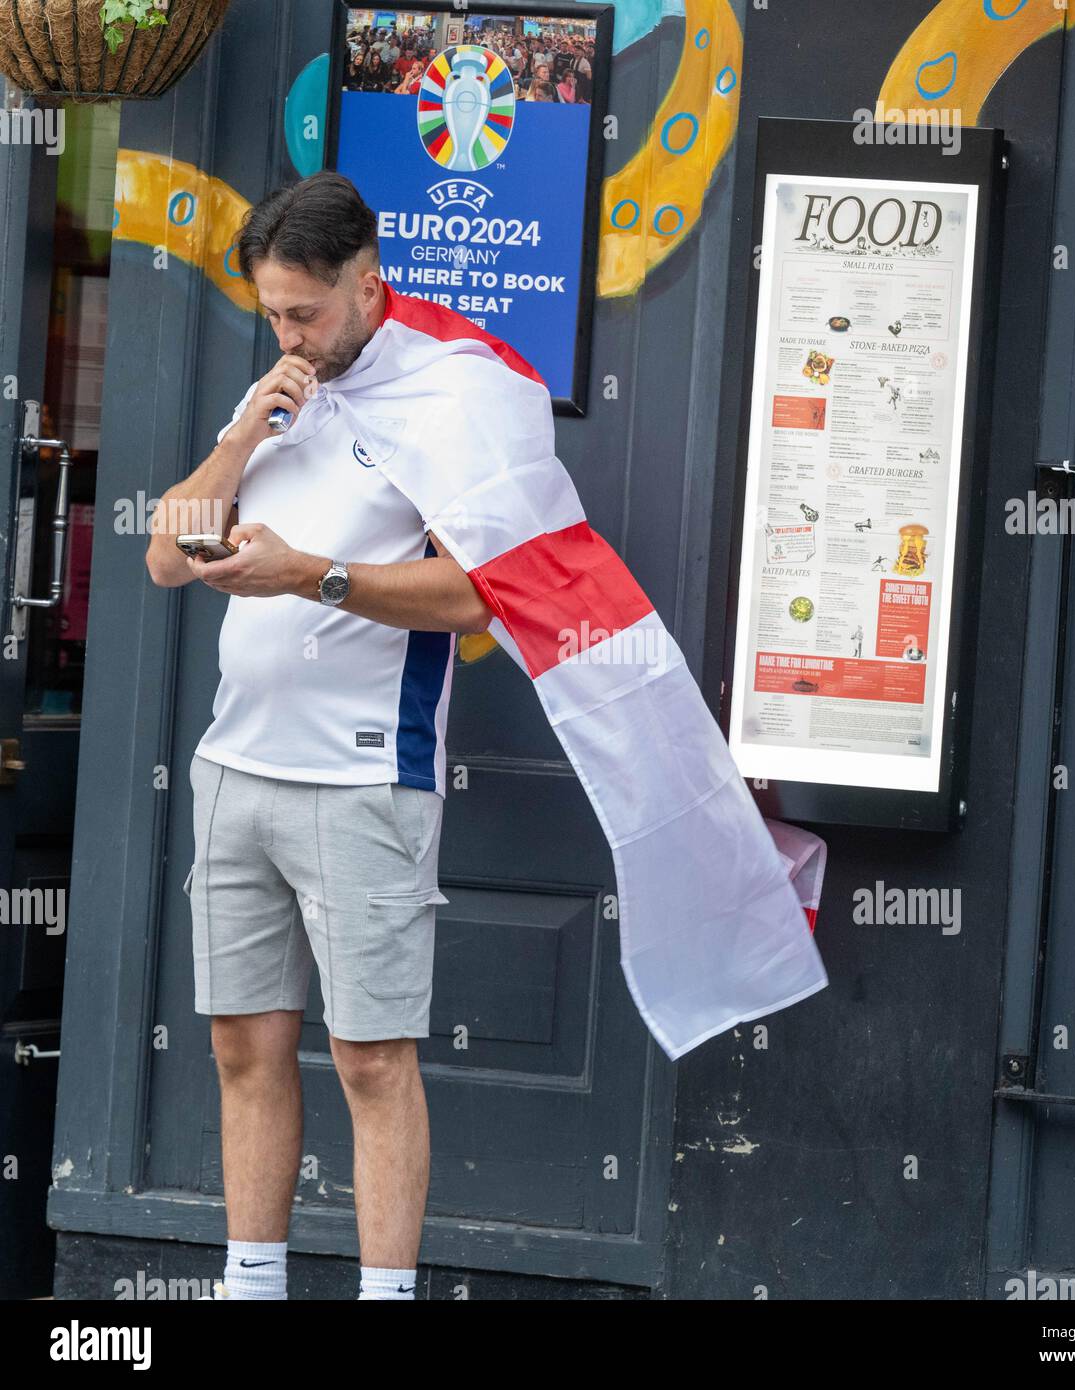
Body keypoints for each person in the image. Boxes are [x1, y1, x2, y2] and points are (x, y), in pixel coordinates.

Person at [145, 172, 497, 1301]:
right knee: (241, 1049)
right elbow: (164, 555)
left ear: (369, 282)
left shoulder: (451, 397)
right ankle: (253, 1286)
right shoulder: (278, 395)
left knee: (371, 1059)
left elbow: (476, 597)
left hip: (364, 778)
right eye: (273, 312)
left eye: (307, 311)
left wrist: (313, 575)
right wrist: (247, 429)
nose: (289, 331)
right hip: (234, 766)